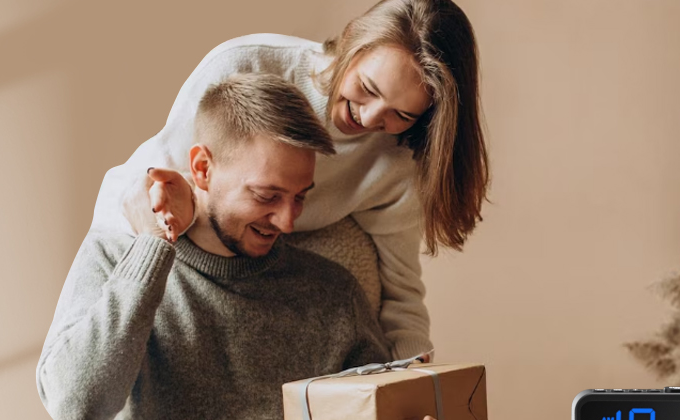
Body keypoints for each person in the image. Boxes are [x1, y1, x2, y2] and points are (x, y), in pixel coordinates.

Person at [35, 73, 457, 420]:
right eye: (267, 196)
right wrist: (152, 248)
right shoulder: (118, 257)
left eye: (300, 197)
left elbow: (391, 412)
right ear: (202, 169)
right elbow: (81, 407)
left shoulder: (326, 294)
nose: (286, 220)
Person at [90, 0, 488, 364]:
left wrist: (416, 375)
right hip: (190, 244)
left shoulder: (398, 159)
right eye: (368, 89)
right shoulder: (245, 64)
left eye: (402, 114)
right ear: (351, 40)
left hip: (287, 272)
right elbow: (153, 190)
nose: (370, 119)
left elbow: (401, 292)